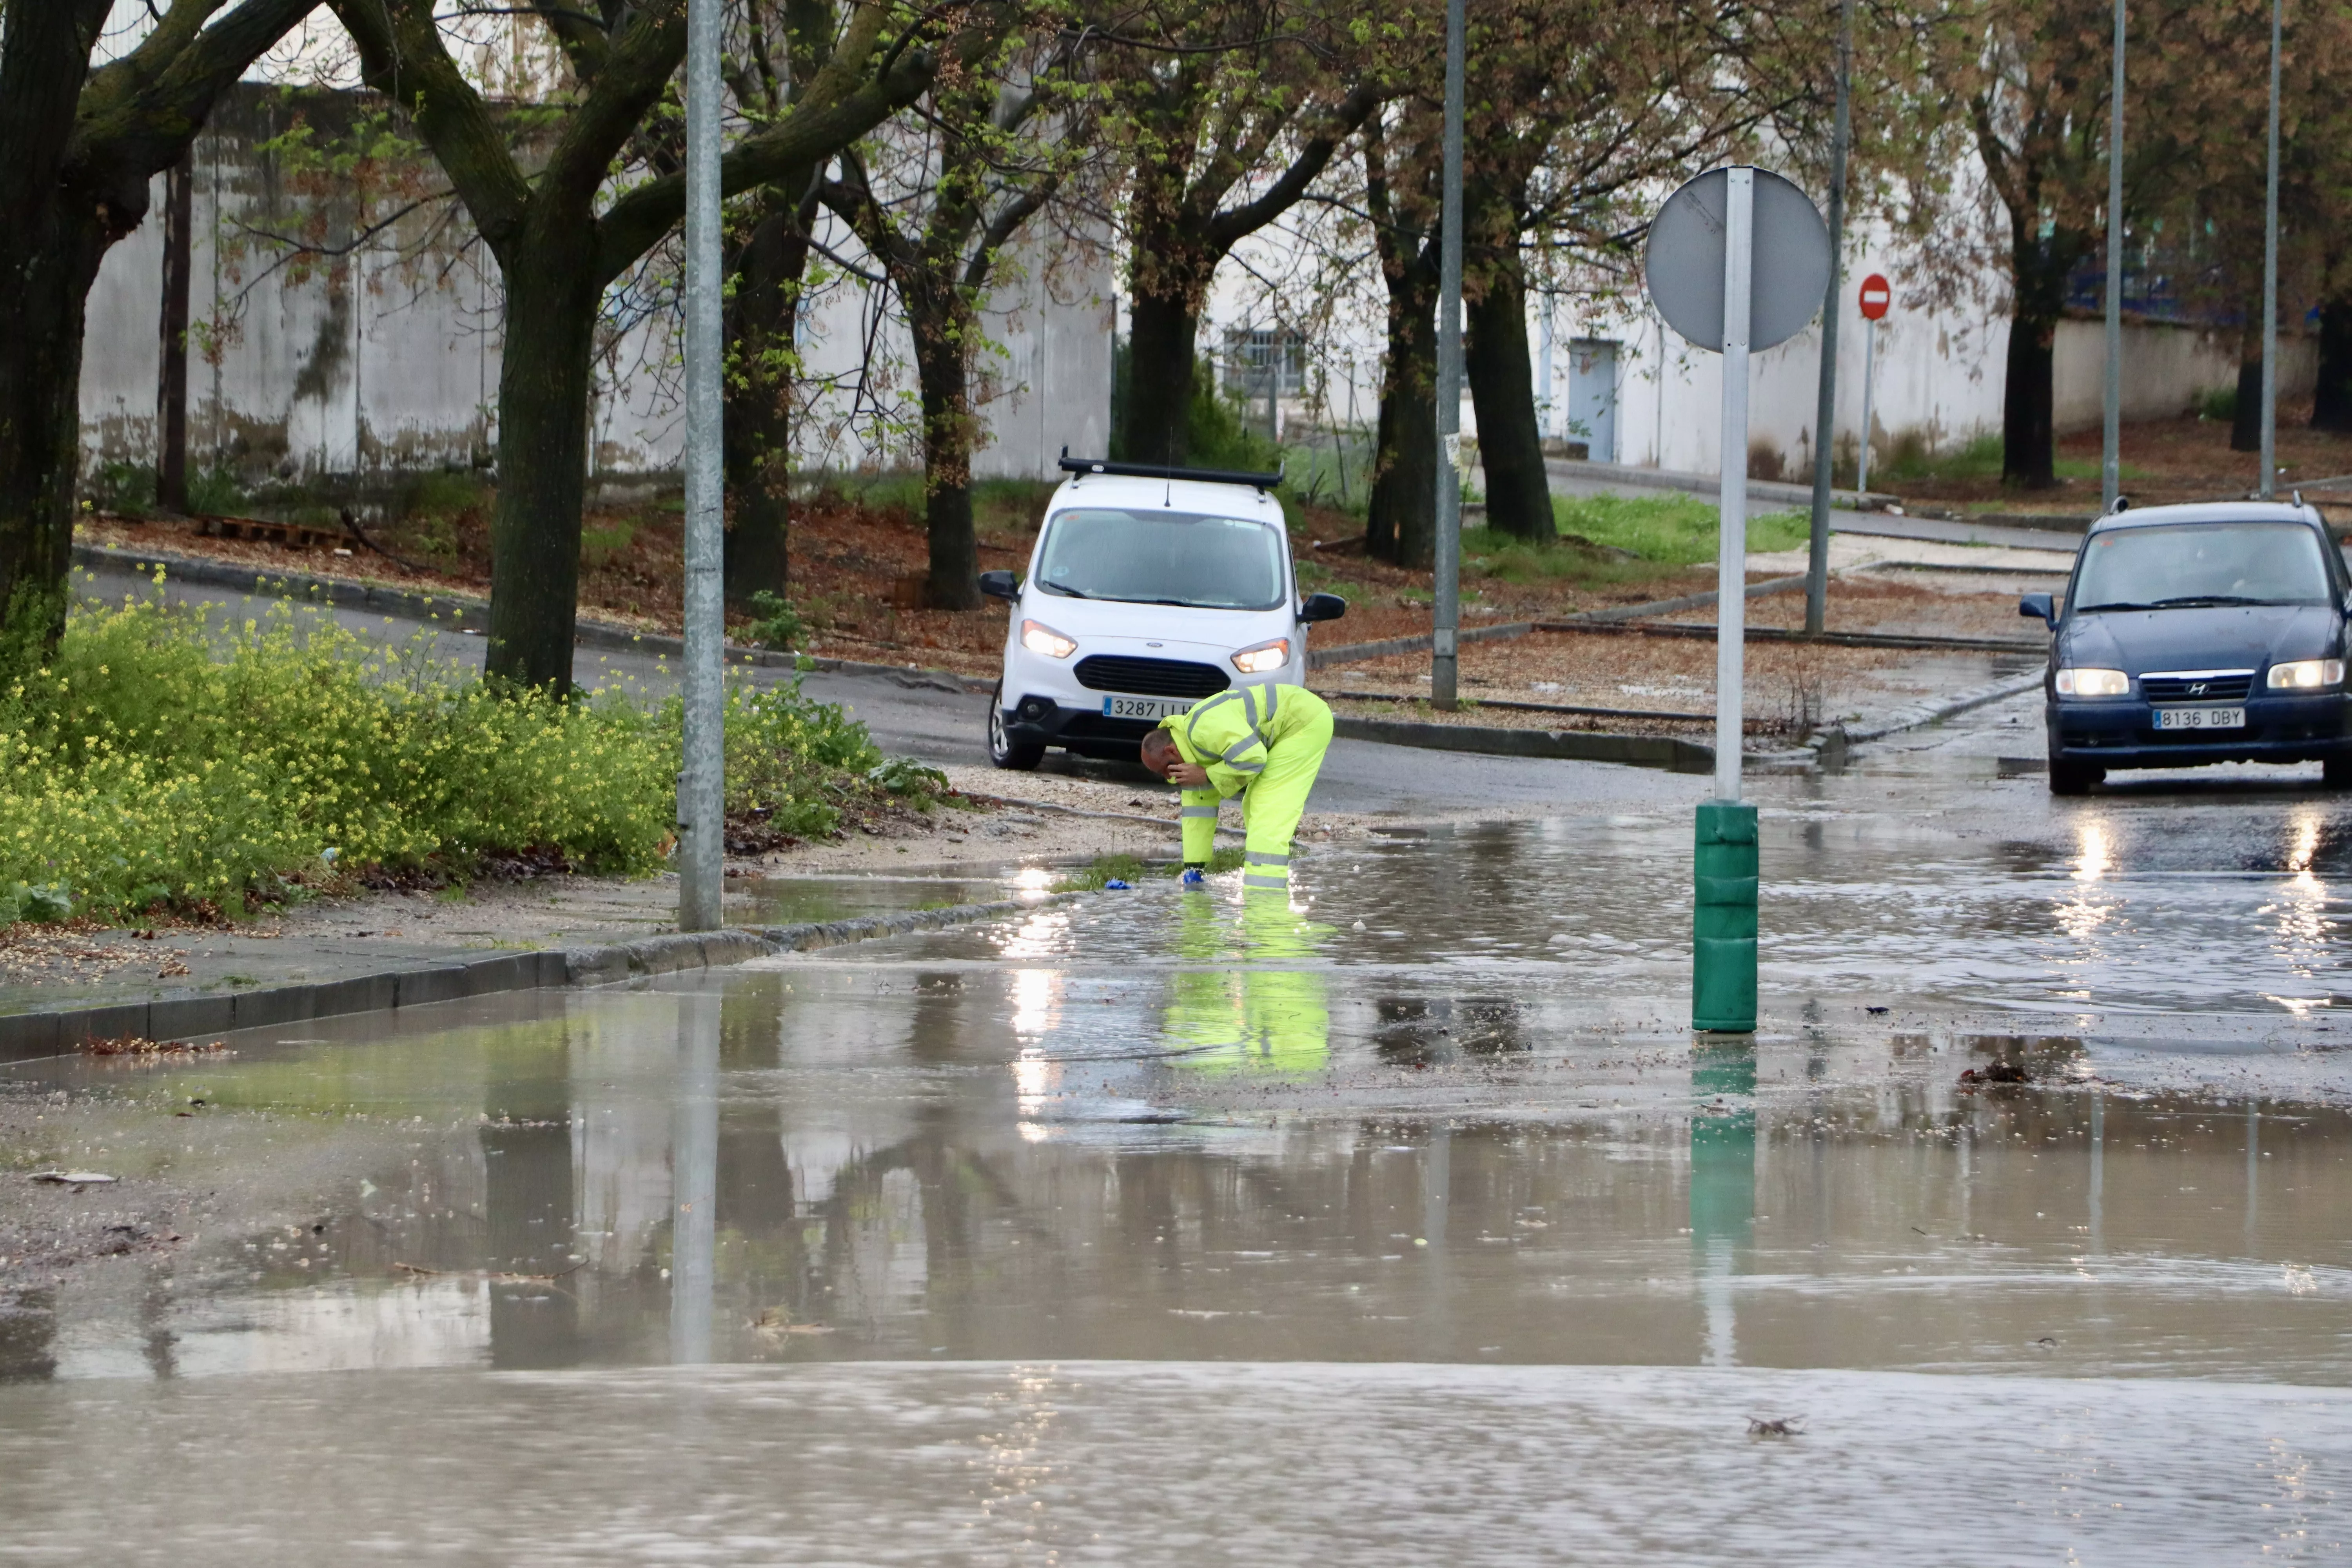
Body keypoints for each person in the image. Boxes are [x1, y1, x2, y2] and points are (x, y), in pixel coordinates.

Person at [1139, 681, 1333, 894]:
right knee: (1252, 805)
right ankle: (1263, 889)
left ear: (1172, 751)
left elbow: (1254, 758)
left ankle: (1266, 898)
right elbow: (1198, 813)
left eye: (1166, 769)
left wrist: (1207, 775)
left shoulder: (1204, 730)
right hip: (1293, 723)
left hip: (1303, 723)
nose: (1169, 777)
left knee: (1267, 808)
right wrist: (1193, 869)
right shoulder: (1189, 756)